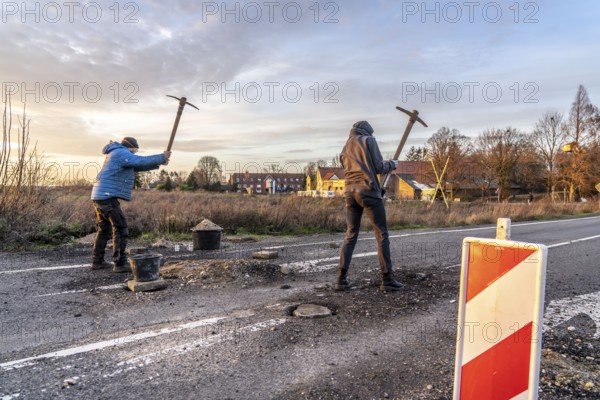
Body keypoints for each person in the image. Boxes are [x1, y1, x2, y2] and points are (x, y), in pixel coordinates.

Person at [336, 121, 403, 292]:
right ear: (367, 132)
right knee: (381, 234)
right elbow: (380, 167)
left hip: (350, 193)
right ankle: (387, 279)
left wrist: (376, 186)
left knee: (351, 234)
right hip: (368, 192)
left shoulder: (345, 147)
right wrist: (393, 164)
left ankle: (341, 280)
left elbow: (355, 171)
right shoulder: (368, 141)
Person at [91, 137, 170, 272]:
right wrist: (162, 157)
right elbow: (139, 161)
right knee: (121, 228)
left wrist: (160, 162)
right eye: (134, 150)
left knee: (104, 230)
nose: (134, 153)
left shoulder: (116, 153)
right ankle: (120, 263)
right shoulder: (121, 153)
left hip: (99, 196)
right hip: (107, 197)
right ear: (131, 147)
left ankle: (97, 262)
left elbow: (137, 165)